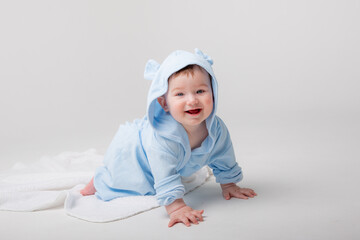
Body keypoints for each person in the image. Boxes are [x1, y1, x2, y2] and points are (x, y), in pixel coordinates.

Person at [80, 48, 257, 227]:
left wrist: (229, 185)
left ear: (213, 92)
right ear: (164, 103)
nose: (192, 100)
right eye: (180, 94)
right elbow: (164, 172)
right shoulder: (163, 137)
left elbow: (223, 155)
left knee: (158, 178)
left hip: (157, 161)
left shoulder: (216, 129)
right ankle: (98, 180)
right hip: (134, 155)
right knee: (129, 182)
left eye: (200, 91)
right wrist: (176, 207)